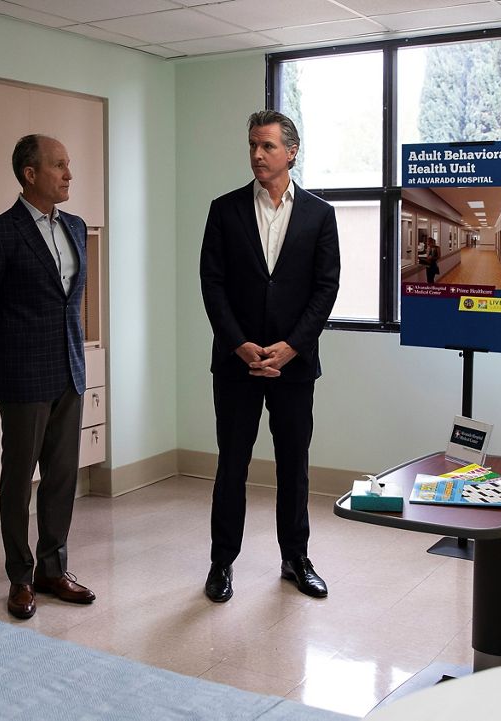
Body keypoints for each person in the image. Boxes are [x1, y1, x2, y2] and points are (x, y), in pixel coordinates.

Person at [199, 110, 340, 603]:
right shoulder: (225, 209)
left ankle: (296, 559)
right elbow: (212, 285)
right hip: (236, 363)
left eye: (268, 146)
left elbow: (326, 289)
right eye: (253, 146)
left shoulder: (320, 215)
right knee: (232, 464)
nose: (258, 154)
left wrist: (292, 345)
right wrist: (240, 344)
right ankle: (221, 564)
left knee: (293, 466)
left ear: (291, 152)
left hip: (294, 365)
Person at [0, 134, 94, 619]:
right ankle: (19, 577)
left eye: (69, 165)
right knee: (18, 480)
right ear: (29, 174)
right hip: (22, 377)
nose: (68, 174)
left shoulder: (76, 227)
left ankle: (52, 569)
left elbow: (70, 301)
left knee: (61, 477)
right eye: (59, 165)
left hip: (69, 372)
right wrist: (2, 367)